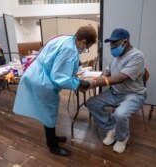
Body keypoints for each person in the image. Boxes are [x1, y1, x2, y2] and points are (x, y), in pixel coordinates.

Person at [13, 26, 97, 156]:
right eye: (86, 47)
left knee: (49, 112)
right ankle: (52, 145)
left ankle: (52, 137)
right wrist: (78, 82)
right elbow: (58, 78)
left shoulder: (66, 38)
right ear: (83, 41)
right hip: (42, 80)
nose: (84, 50)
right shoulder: (69, 49)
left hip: (37, 73)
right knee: (49, 110)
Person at [85, 28, 146, 153]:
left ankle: (122, 137)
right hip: (115, 92)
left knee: (120, 114)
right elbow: (107, 72)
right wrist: (98, 78)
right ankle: (111, 128)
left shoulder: (137, 56)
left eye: (115, 43)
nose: (112, 46)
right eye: (111, 44)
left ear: (125, 42)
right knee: (91, 103)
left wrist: (94, 83)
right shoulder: (117, 56)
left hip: (133, 95)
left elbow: (121, 78)